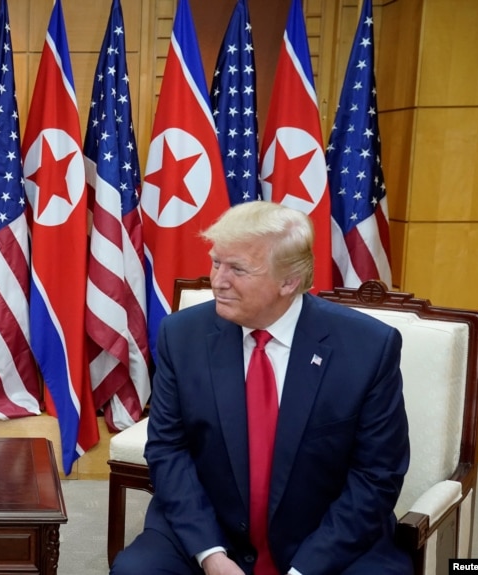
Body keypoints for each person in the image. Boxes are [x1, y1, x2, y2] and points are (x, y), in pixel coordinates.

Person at [111, 201, 410, 575]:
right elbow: (169, 450)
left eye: (237, 269)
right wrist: (211, 555)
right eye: (216, 262)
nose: (218, 280)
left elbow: (377, 475)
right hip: (210, 528)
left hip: (326, 537)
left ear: (289, 282)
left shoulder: (367, 348)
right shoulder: (182, 335)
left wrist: (305, 570)